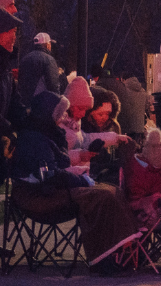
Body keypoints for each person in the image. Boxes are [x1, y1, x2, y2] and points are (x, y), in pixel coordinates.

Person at [8, 92, 140, 273]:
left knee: (113, 190)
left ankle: (123, 248)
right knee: (101, 196)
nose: (63, 117)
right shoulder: (34, 138)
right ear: (48, 114)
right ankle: (101, 258)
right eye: (59, 113)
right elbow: (49, 175)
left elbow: (57, 168)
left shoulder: (48, 133)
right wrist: (81, 179)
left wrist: (78, 172)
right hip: (37, 196)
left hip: (50, 188)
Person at [18, 32, 62, 99]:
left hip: (25, 102)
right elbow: (53, 85)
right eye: (50, 43)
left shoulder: (25, 58)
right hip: (41, 103)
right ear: (47, 45)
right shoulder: (49, 60)